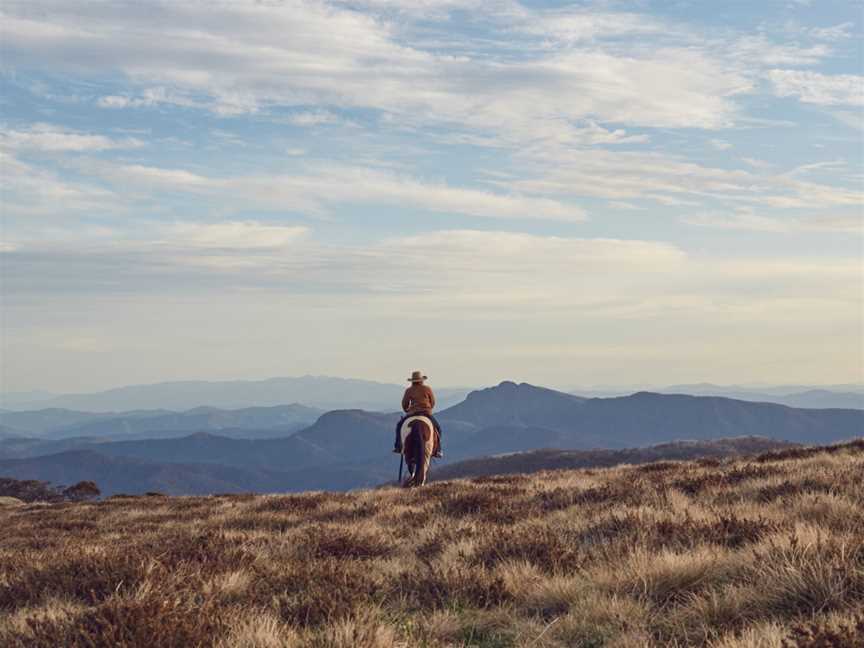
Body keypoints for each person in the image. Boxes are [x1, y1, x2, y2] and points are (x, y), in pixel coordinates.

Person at [393, 370, 443, 458]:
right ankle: (438, 450)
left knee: (399, 426)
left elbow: (404, 404)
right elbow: (433, 402)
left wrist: (407, 410)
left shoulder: (409, 390)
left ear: (412, 381)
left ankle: (398, 446)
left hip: (413, 412)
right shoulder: (427, 389)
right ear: (421, 380)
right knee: (438, 428)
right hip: (426, 412)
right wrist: (428, 408)